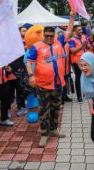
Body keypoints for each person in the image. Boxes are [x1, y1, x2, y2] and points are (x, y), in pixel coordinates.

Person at [26, 13, 74, 147]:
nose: (48, 38)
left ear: (54, 35)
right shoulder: (36, 46)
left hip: (58, 84)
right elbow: (29, 62)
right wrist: (31, 76)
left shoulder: (59, 42)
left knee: (56, 109)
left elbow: (69, 31)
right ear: (43, 35)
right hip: (42, 85)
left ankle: (53, 129)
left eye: (51, 36)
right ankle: (44, 134)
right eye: (46, 35)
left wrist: (71, 17)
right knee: (43, 111)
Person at [69, 25, 89, 102]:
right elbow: (72, 51)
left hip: (85, 60)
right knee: (78, 78)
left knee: (86, 77)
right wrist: (81, 46)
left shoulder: (83, 37)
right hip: (77, 62)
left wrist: (86, 44)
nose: (81, 31)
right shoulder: (72, 40)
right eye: (79, 30)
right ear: (75, 31)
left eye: (81, 30)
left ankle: (86, 93)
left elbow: (87, 47)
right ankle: (79, 96)